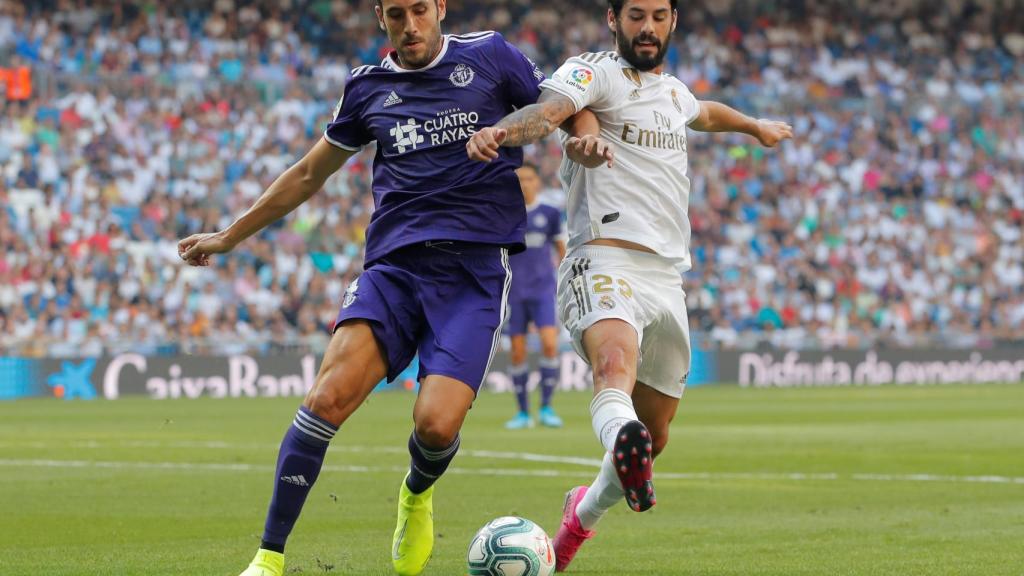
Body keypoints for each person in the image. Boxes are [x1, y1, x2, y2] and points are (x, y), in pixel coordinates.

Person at [179, 1, 594, 574]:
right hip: (394, 271)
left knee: (434, 424)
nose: (410, 25)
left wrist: (525, 133)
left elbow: (558, 106)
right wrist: (229, 236)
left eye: (420, 10)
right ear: (380, 17)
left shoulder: (491, 56)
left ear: (440, 8)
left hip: (473, 274)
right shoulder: (366, 88)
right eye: (396, 13)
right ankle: (268, 559)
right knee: (324, 400)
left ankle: (416, 493)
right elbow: (307, 174)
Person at [466, 0, 793, 570]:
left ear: (673, 22)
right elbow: (549, 113)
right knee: (614, 363)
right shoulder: (592, 72)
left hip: (667, 276)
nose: (648, 27)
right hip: (603, 257)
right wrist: (500, 131)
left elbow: (704, 112)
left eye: (659, 16)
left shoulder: (672, 92)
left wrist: (754, 126)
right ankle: (620, 437)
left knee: (656, 436)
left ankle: (579, 516)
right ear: (613, 19)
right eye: (635, 15)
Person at [504, 163, 567, 429]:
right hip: (514, 293)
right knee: (518, 352)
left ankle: (546, 407)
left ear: (537, 182)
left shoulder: (550, 213)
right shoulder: (506, 215)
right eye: (519, 180)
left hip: (542, 290)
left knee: (550, 345)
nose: (524, 184)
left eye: (529, 178)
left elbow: (562, 249)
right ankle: (522, 413)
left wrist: (567, 282)